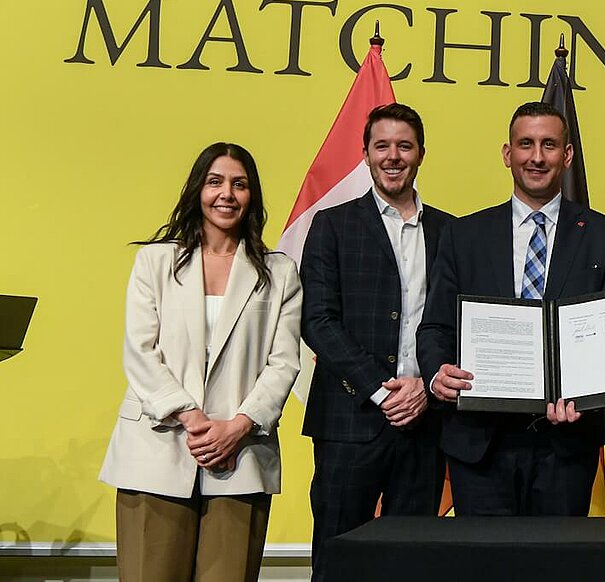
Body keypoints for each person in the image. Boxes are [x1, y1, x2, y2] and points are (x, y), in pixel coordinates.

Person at [99, 143, 302, 582]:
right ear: (198, 190)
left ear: (252, 196)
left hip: (241, 455)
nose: (226, 194)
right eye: (215, 182)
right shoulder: (155, 261)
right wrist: (190, 416)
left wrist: (236, 427)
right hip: (156, 449)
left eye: (239, 184)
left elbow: (284, 363)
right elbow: (140, 350)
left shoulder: (278, 272)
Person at [421, 101, 605, 515]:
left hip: (566, 445)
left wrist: (586, 394)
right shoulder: (463, 235)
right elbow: (434, 326)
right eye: (526, 144)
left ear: (567, 156)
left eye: (549, 144)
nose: (537, 157)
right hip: (479, 442)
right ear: (507, 154)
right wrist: (435, 374)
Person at [301, 103, 453, 581]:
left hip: (426, 422)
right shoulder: (332, 224)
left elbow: (461, 323)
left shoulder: (452, 232)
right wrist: (382, 389)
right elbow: (317, 321)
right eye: (382, 146)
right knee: (338, 556)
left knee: (412, 563)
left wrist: (425, 388)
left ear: (421, 154)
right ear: (365, 154)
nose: (393, 156)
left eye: (404, 146)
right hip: (350, 420)